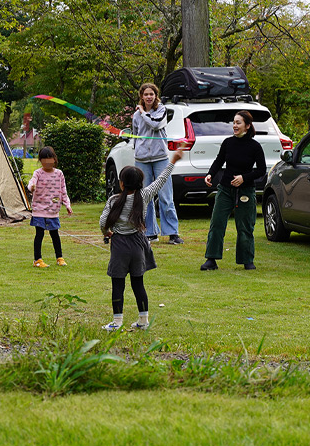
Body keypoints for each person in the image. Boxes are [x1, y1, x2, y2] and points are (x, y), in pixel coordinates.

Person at [100, 144, 186, 331]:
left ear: (121, 183)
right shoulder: (145, 195)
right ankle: (143, 321)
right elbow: (161, 179)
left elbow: (103, 221)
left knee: (118, 284)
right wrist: (173, 160)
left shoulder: (114, 200)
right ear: (141, 183)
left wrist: (106, 233)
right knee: (138, 283)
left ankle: (116, 322)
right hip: (139, 243)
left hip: (120, 244)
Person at [200, 110, 266, 271]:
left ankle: (247, 260)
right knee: (217, 224)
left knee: (245, 227)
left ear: (247, 126)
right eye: (234, 123)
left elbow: (261, 170)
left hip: (245, 191)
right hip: (225, 190)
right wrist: (210, 174)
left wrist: (244, 177)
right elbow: (218, 161)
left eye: (238, 123)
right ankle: (211, 259)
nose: (234, 126)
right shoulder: (228, 142)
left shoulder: (255, 146)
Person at [132, 82, 184, 245]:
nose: (148, 97)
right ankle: (149, 232)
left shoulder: (162, 110)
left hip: (160, 157)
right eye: (145, 94)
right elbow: (136, 134)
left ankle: (172, 233)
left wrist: (142, 111)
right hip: (142, 160)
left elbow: (156, 124)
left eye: (151, 94)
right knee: (144, 197)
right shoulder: (135, 116)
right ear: (141, 96)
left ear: (155, 96)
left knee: (166, 196)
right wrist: (138, 149)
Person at [27, 146, 72, 267]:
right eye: (44, 159)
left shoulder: (59, 174)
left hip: (53, 210)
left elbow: (63, 191)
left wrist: (67, 204)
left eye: (50, 159)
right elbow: (31, 183)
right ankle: (37, 260)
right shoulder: (38, 173)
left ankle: (59, 257)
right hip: (39, 210)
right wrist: (31, 187)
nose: (47, 162)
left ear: (54, 159)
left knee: (55, 234)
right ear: (40, 161)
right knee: (39, 234)